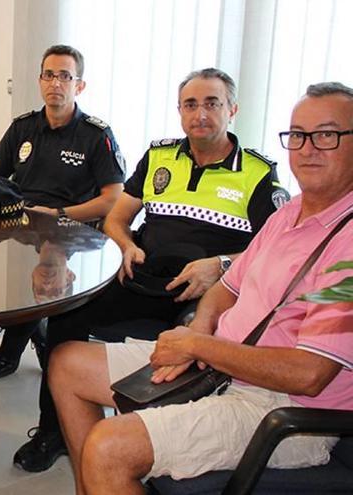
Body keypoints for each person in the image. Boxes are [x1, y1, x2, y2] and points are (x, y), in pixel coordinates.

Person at [49, 81, 353, 494]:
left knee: (109, 447)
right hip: (221, 364)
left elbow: (310, 375)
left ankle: (106, 475)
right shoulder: (292, 213)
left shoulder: (347, 245)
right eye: (298, 135)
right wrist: (200, 329)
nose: (307, 148)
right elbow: (227, 286)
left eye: (327, 135)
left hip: (281, 409)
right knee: (67, 364)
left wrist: (198, 348)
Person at [11, 67, 290, 473]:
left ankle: (152, 447)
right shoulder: (160, 156)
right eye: (190, 104)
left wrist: (223, 265)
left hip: (206, 293)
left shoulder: (258, 173)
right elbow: (117, 218)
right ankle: (54, 432)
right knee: (66, 314)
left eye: (212, 103)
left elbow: (273, 253)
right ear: (179, 111)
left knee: (197, 349)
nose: (200, 114)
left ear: (233, 109)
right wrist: (125, 245)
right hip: (142, 275)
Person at [0, 44, 125, 381]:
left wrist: (57, 212)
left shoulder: (95, 134)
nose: (56, 83)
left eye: (65, 76)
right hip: (21, 224)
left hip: (71, 227)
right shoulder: (23, 128)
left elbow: (112, 199)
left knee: (47, 266)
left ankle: (11, 349)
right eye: (49, 75)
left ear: (79, 85)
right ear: (39, 80)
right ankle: (36, 332)